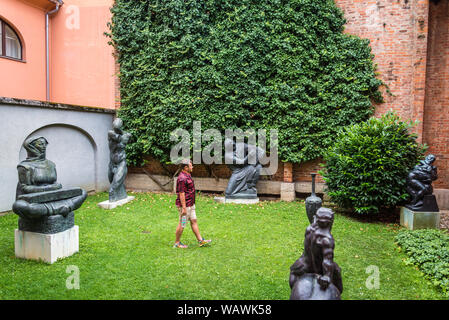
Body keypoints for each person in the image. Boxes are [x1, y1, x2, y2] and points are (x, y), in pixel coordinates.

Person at [173, 159, 211, 248]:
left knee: (194, 221)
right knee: (182, 223)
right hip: (185, 206)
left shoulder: (187, 175)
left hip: (191, 204)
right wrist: (184, 208)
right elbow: (181, 193)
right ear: (186, 167)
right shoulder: (182, 178)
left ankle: (200, 241)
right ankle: (177, 243)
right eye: (191, 165)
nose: (192, 167)